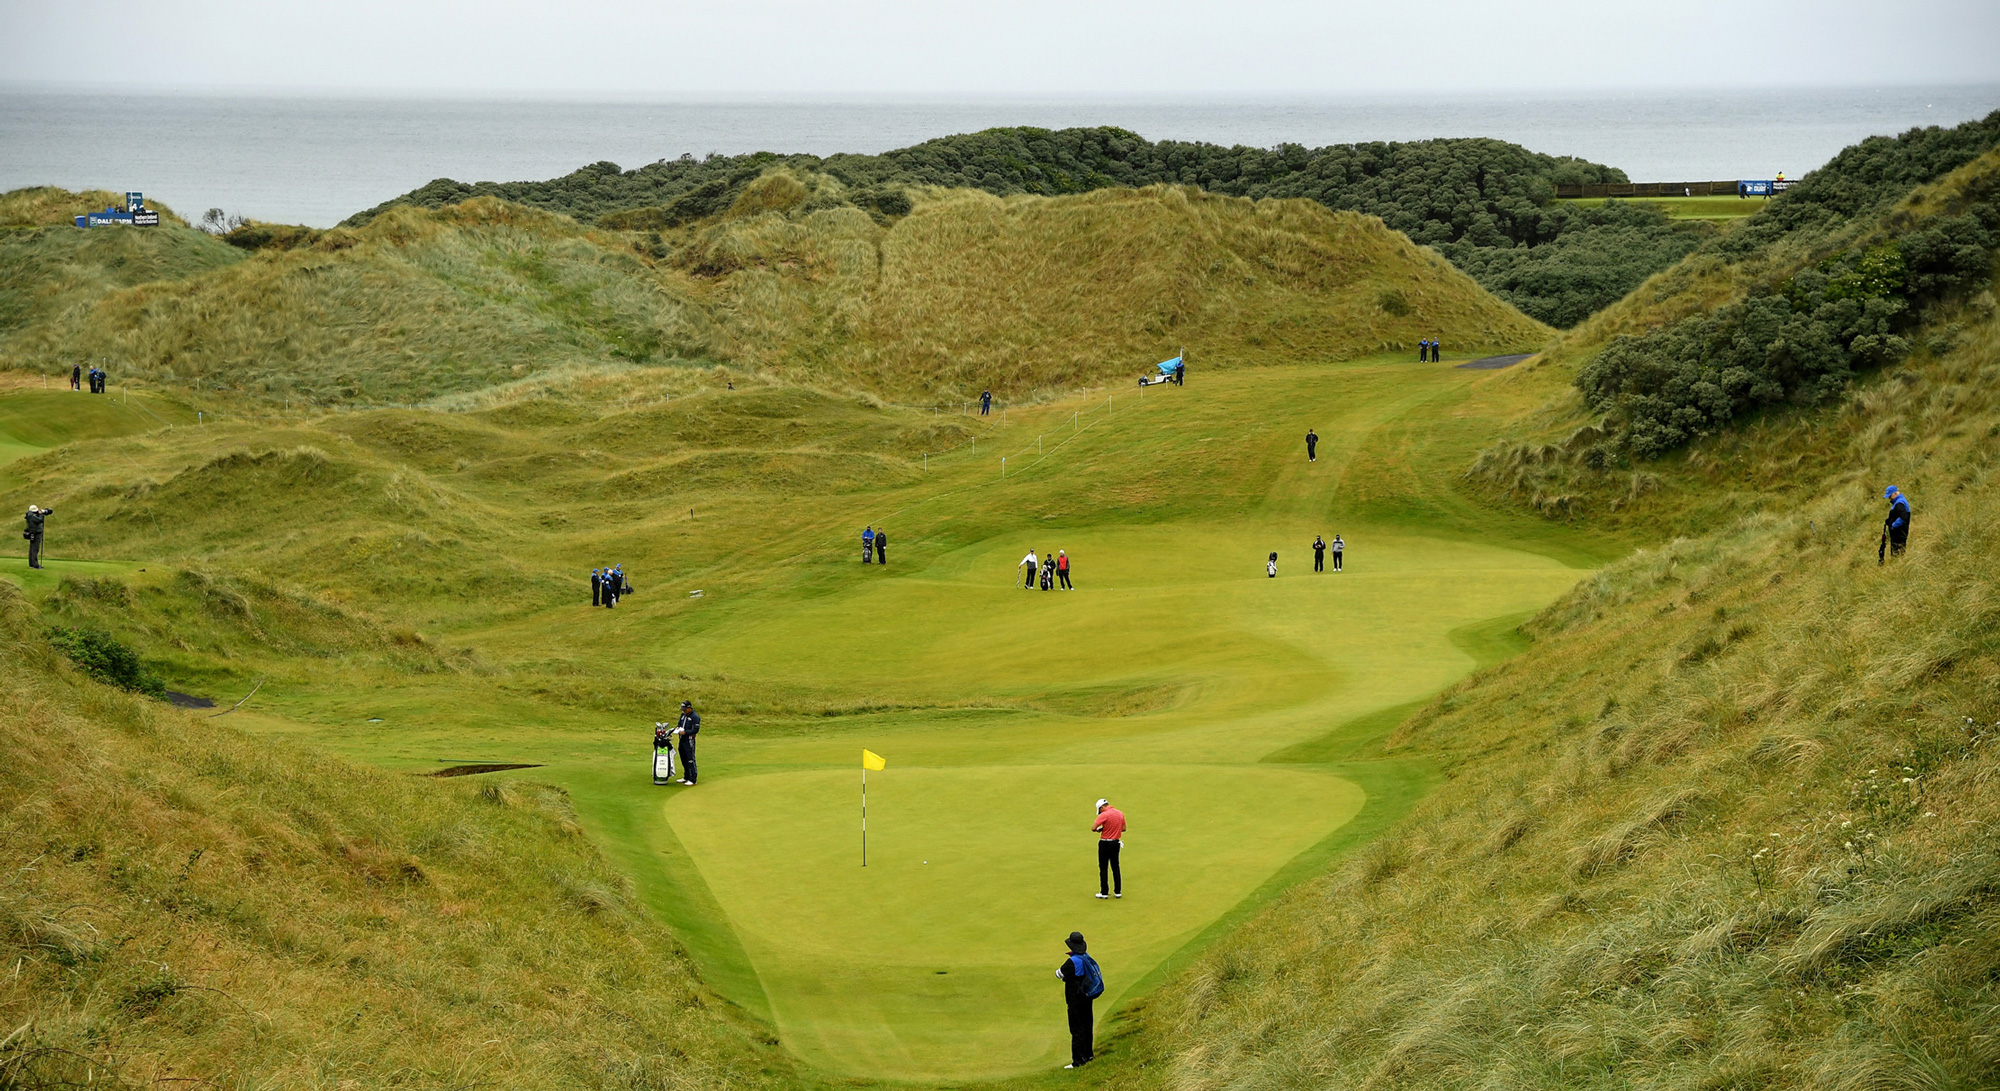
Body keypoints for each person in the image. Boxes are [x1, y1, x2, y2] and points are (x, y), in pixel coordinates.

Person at [1057, 932, 1103, 1068]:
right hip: (1087, 997)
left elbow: (1059, 973)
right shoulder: (1086, 957)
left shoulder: (1072, 961)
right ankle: (1088, 1055)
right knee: (1087, 1026)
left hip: (1075, 999)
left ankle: (1078, 1061)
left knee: (1076, 1029)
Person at [1093, 798, 1124, 899]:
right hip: (1116, 843)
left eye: (1099, 810)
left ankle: (1104, 892)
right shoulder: (1120, 813)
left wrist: (1102, 829)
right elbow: (1123, 828)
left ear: (1102, 807)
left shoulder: (1104, 815)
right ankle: (1118, 892)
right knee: (1116, 867)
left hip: (1104, 844)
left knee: (1103, 868)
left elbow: (1093, 828)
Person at [1882, 486, 1913, 560]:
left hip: (1899, 533)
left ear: (1895, 494)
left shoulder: (1899, 503)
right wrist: (1889, 520)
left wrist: (1893, 525)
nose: (1889, 498)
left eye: (1890, 496)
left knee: (1897, 554)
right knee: (1899, 552)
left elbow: (1903, 517)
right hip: (1899, 532)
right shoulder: (1899, 501)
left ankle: (1898, 565)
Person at [675, 700, 700, 785]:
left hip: (689, 740)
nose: (684, 711)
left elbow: (696, 730)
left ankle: (693, 779)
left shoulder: (695, 717)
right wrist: (678, 728)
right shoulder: (683, 715)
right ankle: (686, 776)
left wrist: (685, 732)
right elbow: (679, 724)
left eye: (685, 709)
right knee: (683, 759)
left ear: (690, 708)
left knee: (690, 759)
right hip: (681, 740)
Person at [23, 505, 51, 569]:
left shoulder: (29, 515)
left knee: (32, 549)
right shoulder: (33, 516)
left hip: (32, 533)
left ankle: (31, 564)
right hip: (36, 533)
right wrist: (41, 514)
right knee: (35, 549)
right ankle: (35, 565)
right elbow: (40, 520)